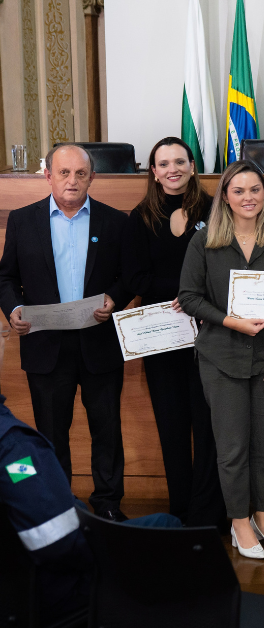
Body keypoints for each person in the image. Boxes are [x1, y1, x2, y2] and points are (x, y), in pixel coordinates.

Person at [0, 143, 133, 521]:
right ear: (48, 175)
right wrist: (13, 309)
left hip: (100, 343)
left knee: (106, 431)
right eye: (63, 172)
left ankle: (107, 505)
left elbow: (128, 276)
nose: (72, 180)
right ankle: (61, 506)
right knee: (52, 434)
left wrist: (115, 298)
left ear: (92, 177)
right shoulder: (23, 220)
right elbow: (6, 277)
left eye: (80, 173)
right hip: (45, 345)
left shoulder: (114, 221)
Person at [177, 160, 264, 560]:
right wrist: (232, 322)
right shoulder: (204, 242)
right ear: (225, 196)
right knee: (231, 449)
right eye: (239, 190)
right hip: (221, 357)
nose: (248, 197)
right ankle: (238, 521)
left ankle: (262, 516)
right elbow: (189, 298)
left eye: (255, 190)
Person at [1, 397, 181, 624]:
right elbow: (57, 544)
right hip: (52, 591)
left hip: (17, 587)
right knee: (167, 527)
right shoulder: (14, 446)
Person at [120, 136, 224, 529]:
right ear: (153, 171)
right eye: (163, 164)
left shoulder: (216, 211)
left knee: (210, 427)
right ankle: (181, 512)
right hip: (162, 338)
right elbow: (134, 277)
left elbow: (225, 269)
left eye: (180, 161)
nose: (172, 169)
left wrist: (194, 297)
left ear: (193, 166)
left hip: (210, 335)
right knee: (173, 427)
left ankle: (208, 513)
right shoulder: (139, 218)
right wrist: (180, 292)